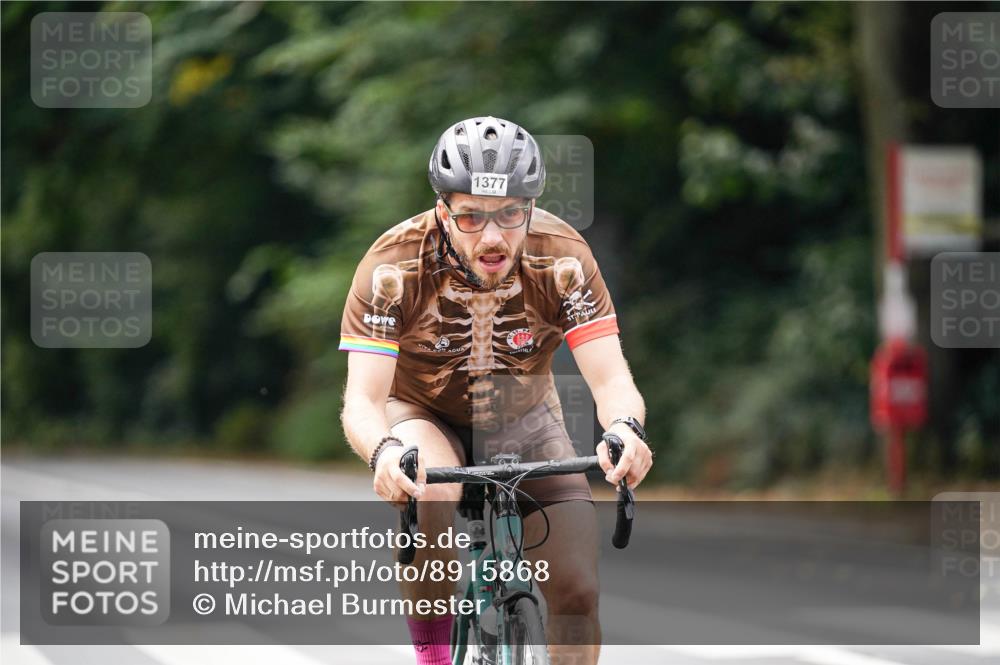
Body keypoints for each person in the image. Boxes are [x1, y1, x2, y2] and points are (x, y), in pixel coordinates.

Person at [339, 116, 652, 665]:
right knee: (430, 490)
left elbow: (611, 378)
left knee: (578, 591)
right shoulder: (393, 265)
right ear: (443, 211)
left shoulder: (563, 257)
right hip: (422, 411)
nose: (491, 237)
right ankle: (435, 658)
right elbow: (363, 401)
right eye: (470, 216)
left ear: (530, 207)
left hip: (524, 416)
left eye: (510, 214)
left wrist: (626, 429)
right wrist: (384, 453)